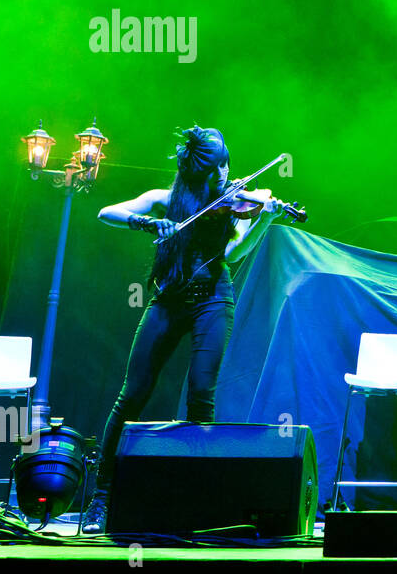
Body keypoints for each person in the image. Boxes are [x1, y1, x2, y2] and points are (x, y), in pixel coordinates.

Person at [81, 127, 282, 533]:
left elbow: (232, 253)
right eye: (218, 166)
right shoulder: (167, 200)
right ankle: (101, 498)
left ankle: (196, 496)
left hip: (212, 299)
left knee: (201, 394)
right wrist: (147, 224)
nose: (227, 172)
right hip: (168, 299)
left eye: (226, 163)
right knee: (132, 393)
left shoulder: (233, 205)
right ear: (200, 172)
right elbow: (107, 213)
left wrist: (263, 220)